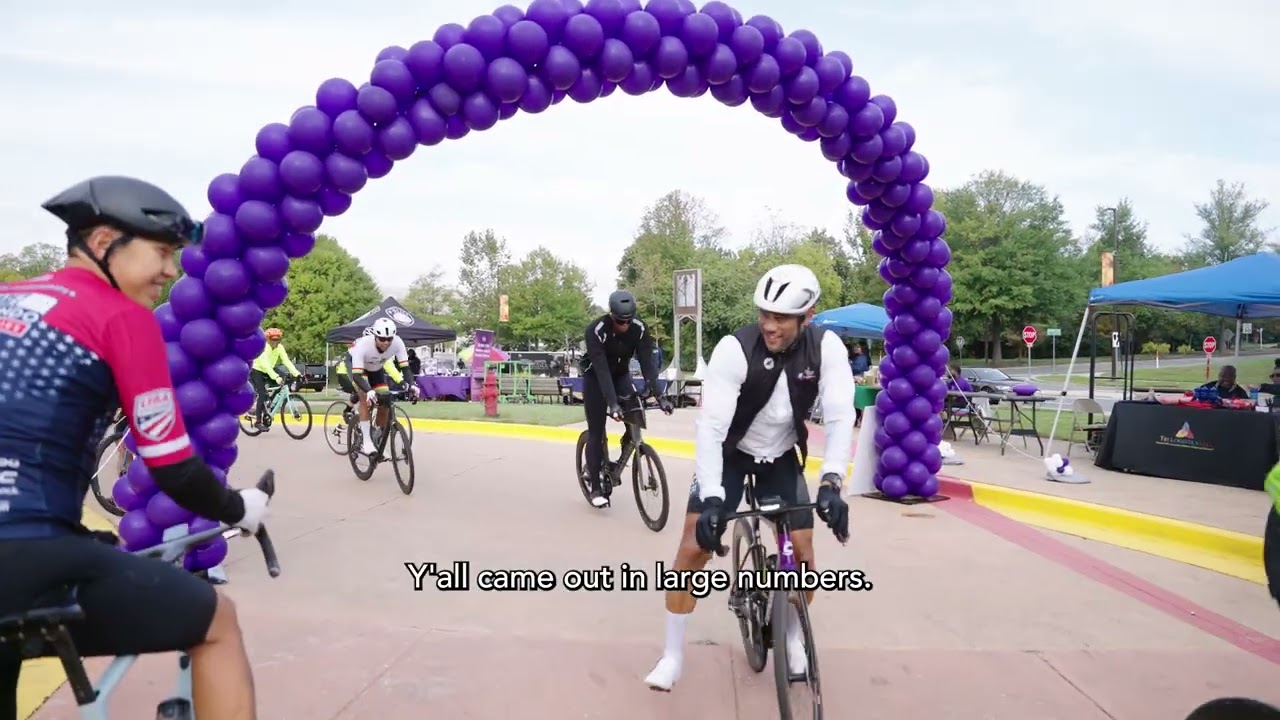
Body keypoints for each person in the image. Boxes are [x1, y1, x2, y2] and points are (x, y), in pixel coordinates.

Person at [0, 176, 272, 720]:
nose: (172, 271)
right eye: (163, 252)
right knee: (217, 621)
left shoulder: (7, 297)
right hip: (25, 553)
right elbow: (171, 465)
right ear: (103, 244)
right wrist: (238, 507)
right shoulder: (121, 318)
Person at [643, 264, 853, 692]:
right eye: (764, 314)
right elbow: (712, 428)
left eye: (781, 318)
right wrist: (715, 498)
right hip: (730, 454)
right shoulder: (734, 349)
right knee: (691, 548)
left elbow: (839, 415)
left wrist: (832, 481)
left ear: (807, 316)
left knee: (805, 550)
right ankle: (672, 655)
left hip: (780, 455)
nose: (769, 325)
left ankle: (793, 636)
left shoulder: (827, 348)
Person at [581, 290, 672, 508]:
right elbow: (602, 371)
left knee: (636, 410)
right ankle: (595, 487)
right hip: (596, 378)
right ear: (611, 316)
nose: (625, 325)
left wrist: (660, 395)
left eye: (629, 321)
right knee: (596, 432)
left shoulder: (639, 329)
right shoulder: (596, 331)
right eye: (620, 321)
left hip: (621, 375)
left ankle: (624, 451)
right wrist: (612, 403)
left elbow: (648, 364)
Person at [346, 318, 419, 455]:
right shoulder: (363, 345)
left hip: (375, 368)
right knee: (365, 399)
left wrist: (412, 385)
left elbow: (405, 368)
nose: (386, 342)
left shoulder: (397, 343)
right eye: (382, 339)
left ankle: (378, 437)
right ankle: (366, 441)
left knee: (385, 400)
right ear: (375, 336)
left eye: (389, 339)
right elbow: (357, 376)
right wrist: (368, 391)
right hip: (358, 368)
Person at [249, 328, 300, 430]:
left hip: (270, 369)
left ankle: (269, 404)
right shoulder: (263, 348)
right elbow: (266, 365)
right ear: (268, 339)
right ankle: (258, 421)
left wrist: (297, 374)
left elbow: (286, 361)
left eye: (277, 340)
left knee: (284, 380)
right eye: (272, 339)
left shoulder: (280, 348)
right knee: (262, 394)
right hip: (257, 370)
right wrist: (276, 377)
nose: (275, 342)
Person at [336, 331, 407, 402]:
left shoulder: (380, 353)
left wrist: (401, 381)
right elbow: (355, 373)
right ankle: (350, 409)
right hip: (345, 373)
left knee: (381, 394)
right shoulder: (359, 350)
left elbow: (390, 367)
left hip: (362, 372)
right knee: (361, 393)